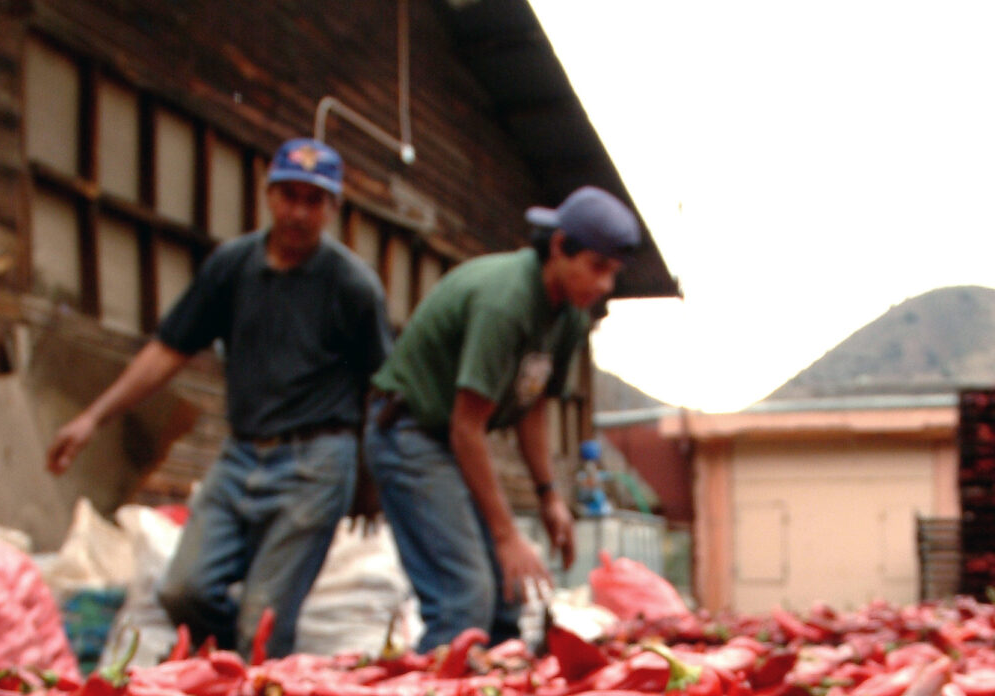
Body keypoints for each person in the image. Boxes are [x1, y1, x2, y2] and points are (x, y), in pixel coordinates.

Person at [46, 139, 388, 656]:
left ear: (333, 208)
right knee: (184, 591)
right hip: (243, 453)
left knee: (265, 617)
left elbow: (380, 388)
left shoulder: (353, 286)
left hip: (318, 461)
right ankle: (232, 672)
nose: (297, 212)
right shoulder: (233, 267)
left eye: (313, 201)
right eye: (288, 195)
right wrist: (93, 417)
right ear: (268, 194)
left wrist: (369, 478)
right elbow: (168, 351)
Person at [366, 186, 639, 650]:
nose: (605, 286)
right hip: (410, 433)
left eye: (613, 272)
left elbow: (531, 404)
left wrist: (549, 494)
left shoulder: (568, 316)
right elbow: (466, 428)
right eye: (597, 267)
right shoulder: (506, 302)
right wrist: (506, 532)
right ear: (559, 248)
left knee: (507, 594)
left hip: (448, 440)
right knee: (465, 596)